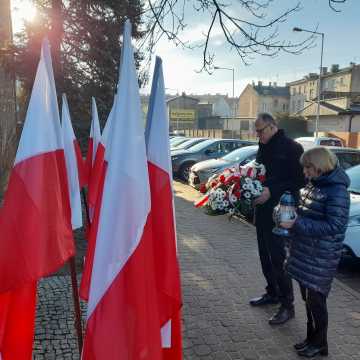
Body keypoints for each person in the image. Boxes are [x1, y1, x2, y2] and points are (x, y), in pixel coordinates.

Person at [283, 147, 350, 357]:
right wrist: (291, 211)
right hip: (306, 253)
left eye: (308, 168)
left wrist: (297, 222)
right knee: (308, 299)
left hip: (321, 257)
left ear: (320, 167)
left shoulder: (337, 191)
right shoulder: (315, 184)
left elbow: (335, 226)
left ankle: (320, 342)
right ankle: (312, 338)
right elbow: (309, 212)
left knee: (317, 302)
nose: (305, 172)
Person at [250, 112, 304, 326]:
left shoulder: (292, 148)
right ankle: (272, 292)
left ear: (272, 126)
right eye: (256, 131)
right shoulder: (262, 147)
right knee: (265, 256)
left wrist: (271, 190)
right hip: (263, 210)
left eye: (260, 130)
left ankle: (287, 306)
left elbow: (298, 180)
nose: (258, 134)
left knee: (278, 259)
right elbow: (259, 174)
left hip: (282, 211)